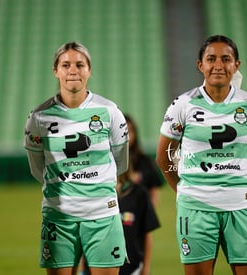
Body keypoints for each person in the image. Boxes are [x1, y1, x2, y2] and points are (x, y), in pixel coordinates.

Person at [155, 35, 247, 275]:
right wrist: (184, 190)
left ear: (236, 65)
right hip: (195, 208)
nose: (218, 65)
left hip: (242, 207)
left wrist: (237, 185)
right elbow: (164, 156)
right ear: (200, 65)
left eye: (226, 59)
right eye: (211, 59)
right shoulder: (183, 104)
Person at [24, 41, 129, 275]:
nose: (73, 70)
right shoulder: (39, 117)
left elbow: (120, 162)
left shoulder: (110, 111)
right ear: (56, 70)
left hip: (102, 214)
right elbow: (37, 168)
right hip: (58, 217)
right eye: (66, 64)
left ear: (89, 70)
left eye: (80, 64)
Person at [116, 164, 160, 275]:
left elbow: (147, 233)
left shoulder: (139, 193)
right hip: (100, 264)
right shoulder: (98, 194)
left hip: (133, 266)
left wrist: (145, 268)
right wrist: (84, 268)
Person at [125, 114, 164, 207]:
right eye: (121, 132)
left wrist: (148, 214)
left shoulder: (145, 162)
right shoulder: (108, 163)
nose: (126, 136)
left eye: (129, 131)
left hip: (140, 217)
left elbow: (154, 192)